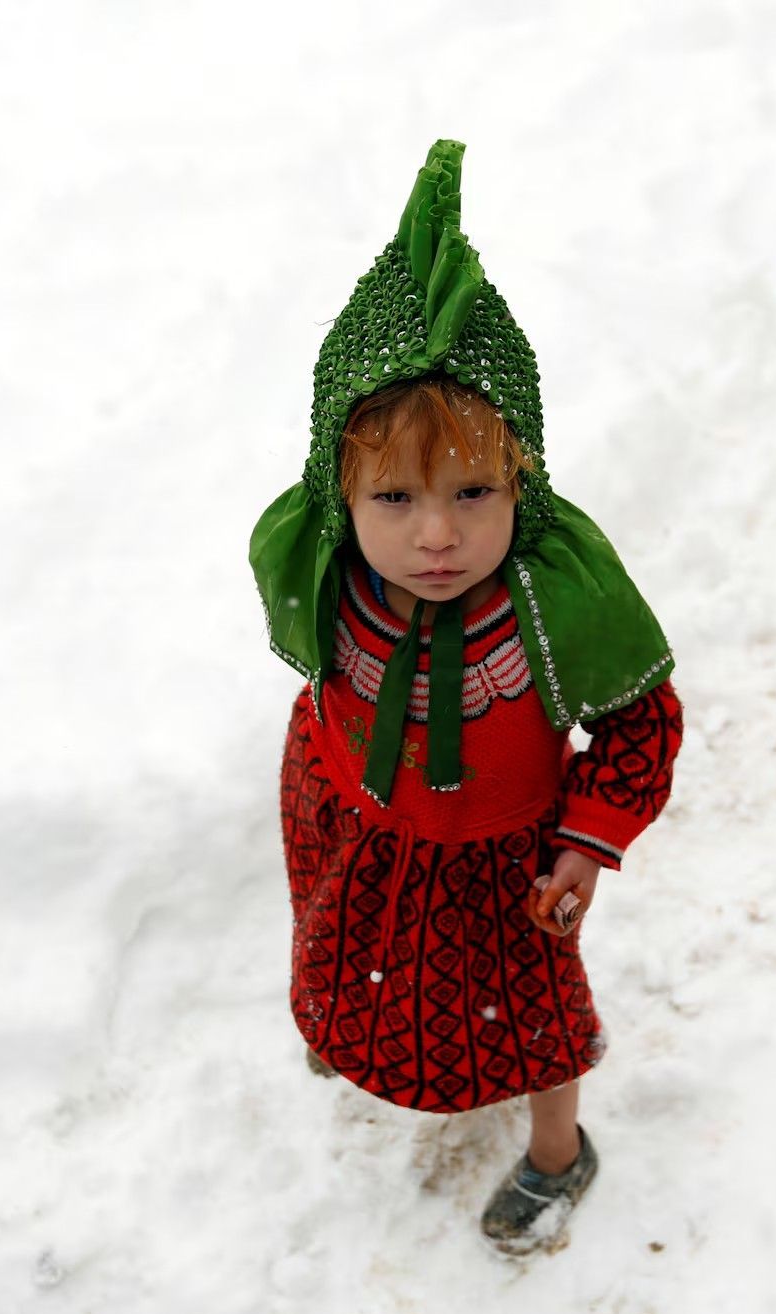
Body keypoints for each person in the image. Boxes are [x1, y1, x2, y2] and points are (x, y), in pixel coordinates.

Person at [249, 139, 683, 1255]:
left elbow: (640, 718)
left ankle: (556, 1151)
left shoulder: (550, 604)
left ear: (524, 476)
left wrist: (585, 842)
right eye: (394, 495)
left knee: (530, 1022)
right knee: (345, 949)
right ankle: (349, 1026)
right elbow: (321, 697)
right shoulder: (331, 577)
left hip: (506, 867)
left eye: (474, 490)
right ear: (338, 491)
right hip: (364, 828)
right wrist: (330, 794)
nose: (435, 534)